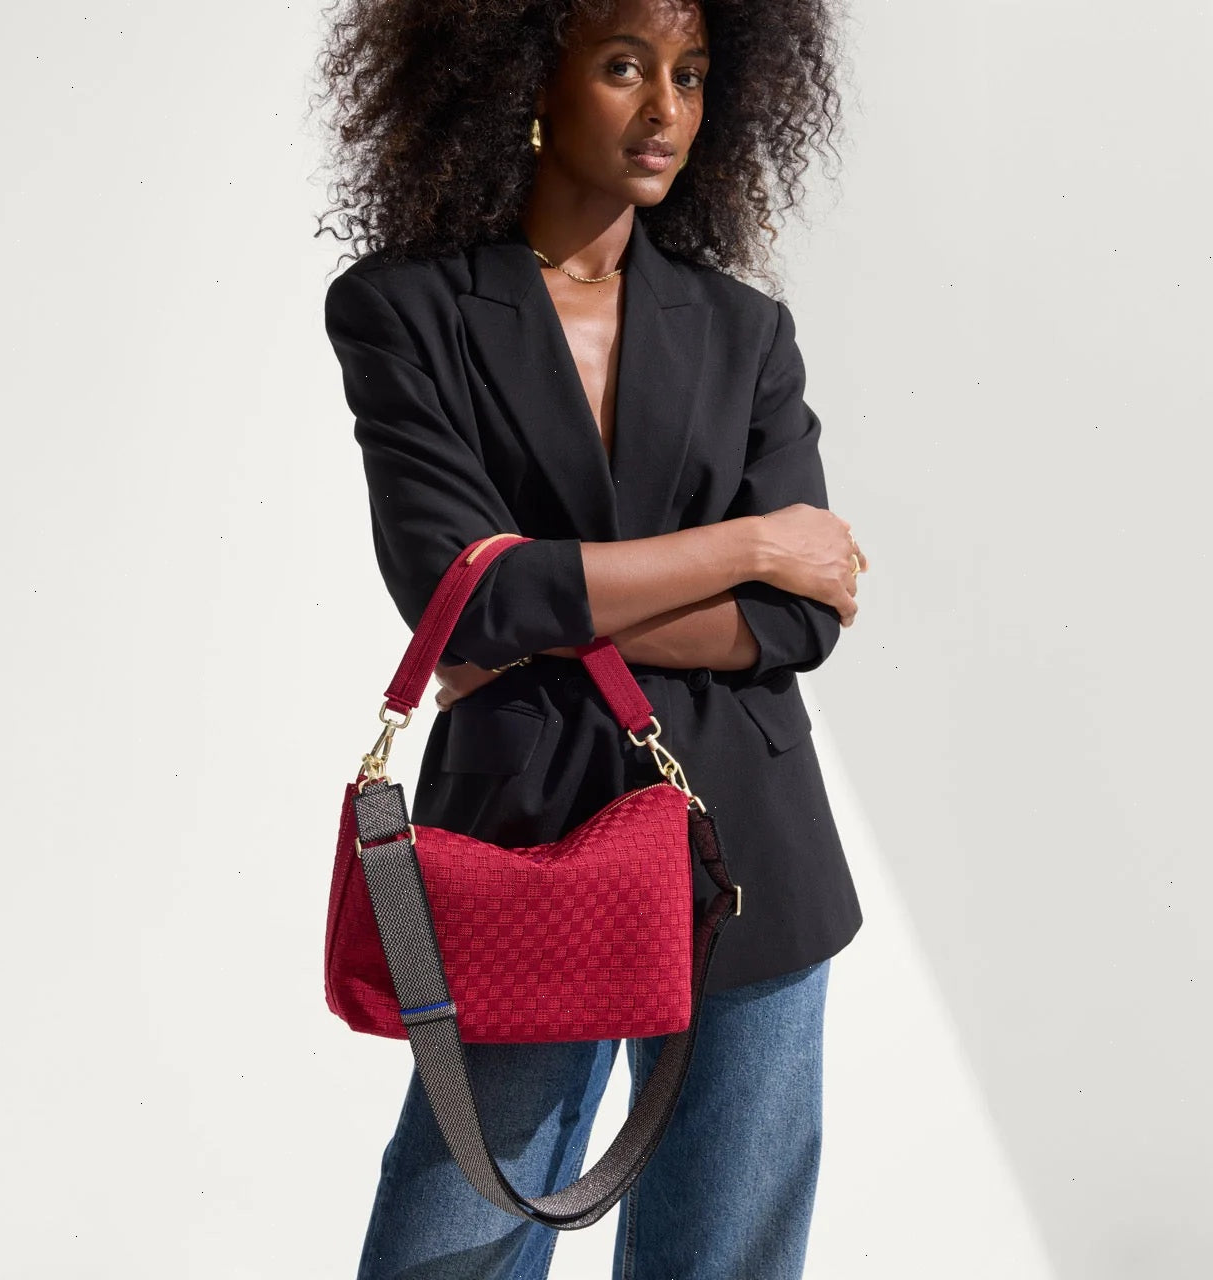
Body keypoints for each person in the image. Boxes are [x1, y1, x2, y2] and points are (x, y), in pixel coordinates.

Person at [316, 0, 871, 1273]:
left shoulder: (745, 330)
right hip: (524, 843)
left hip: (750, 853)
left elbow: (798, 617)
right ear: (528, 77)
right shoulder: (405, 310)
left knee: (722, 1254)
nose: (665, 108)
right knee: (449, 1244)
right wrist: (744, 543)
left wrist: (548, 604)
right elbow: (458, 594)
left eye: (691, 74)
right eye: (624, 66)